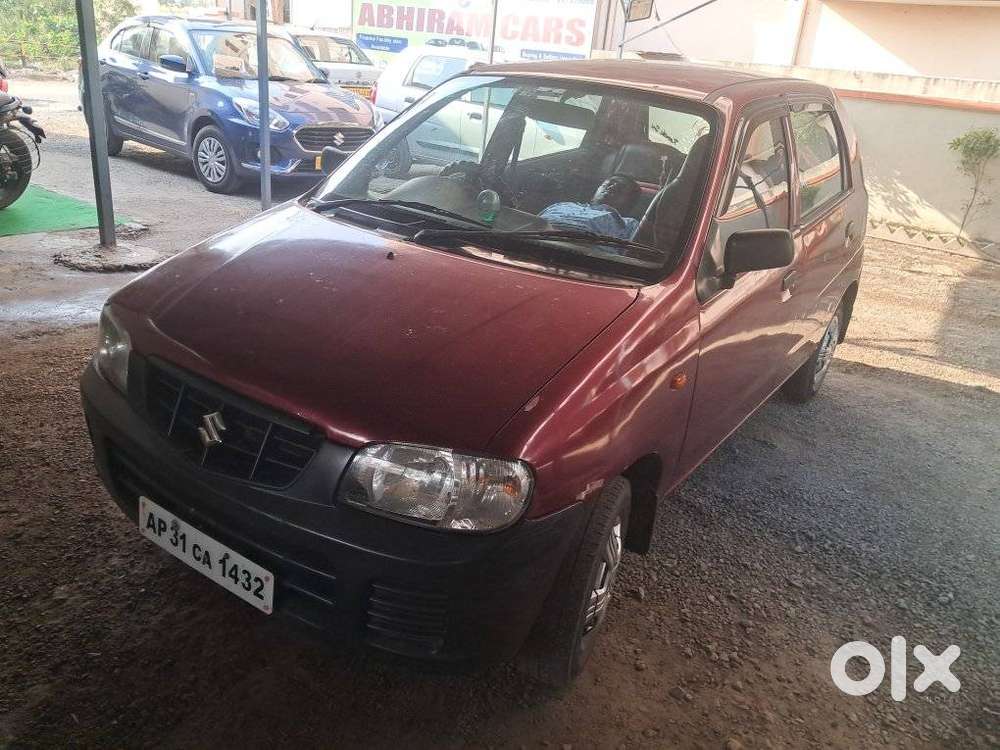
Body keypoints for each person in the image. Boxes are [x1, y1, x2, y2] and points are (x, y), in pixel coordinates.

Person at [539, 174, 641, 239]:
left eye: (620, 188)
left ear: (629, 201)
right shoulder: (562, 205)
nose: (611, 187)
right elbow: (534, 224)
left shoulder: (630, 224)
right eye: (608, 184)